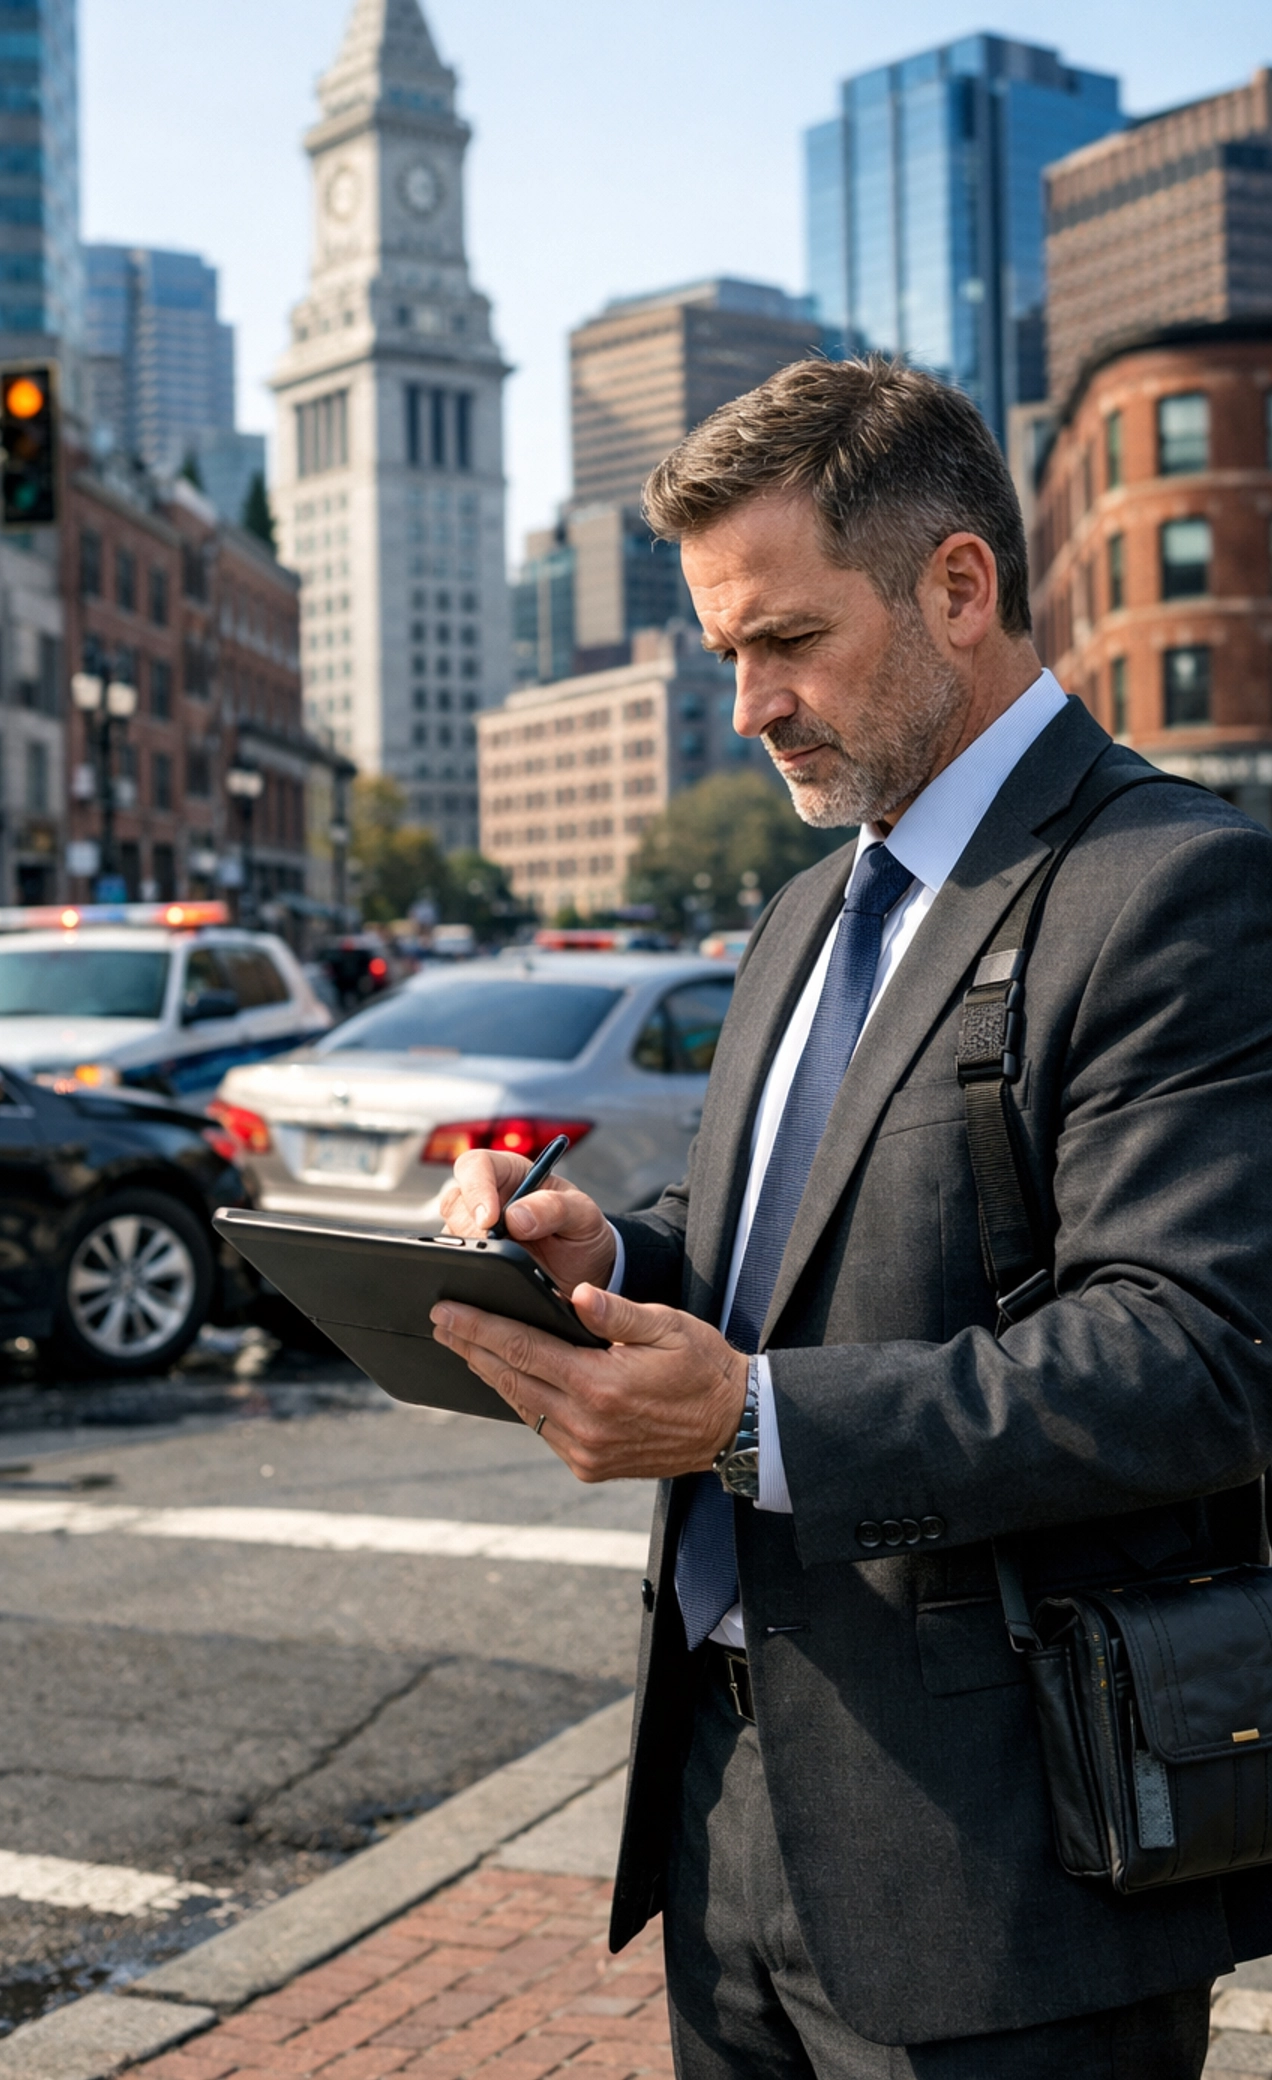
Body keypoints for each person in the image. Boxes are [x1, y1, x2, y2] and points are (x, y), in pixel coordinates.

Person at [430, 357, 1272, 2079]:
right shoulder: (809, 905)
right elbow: (778, 1241)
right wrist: (608, 1256)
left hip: (1007, 1864)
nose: (749, 704)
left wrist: (748, 1426)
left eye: (787, 641)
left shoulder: (1173, 887)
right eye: (725, 653)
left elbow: (1198, 1353)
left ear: (959, 586)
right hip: (726, 1803)